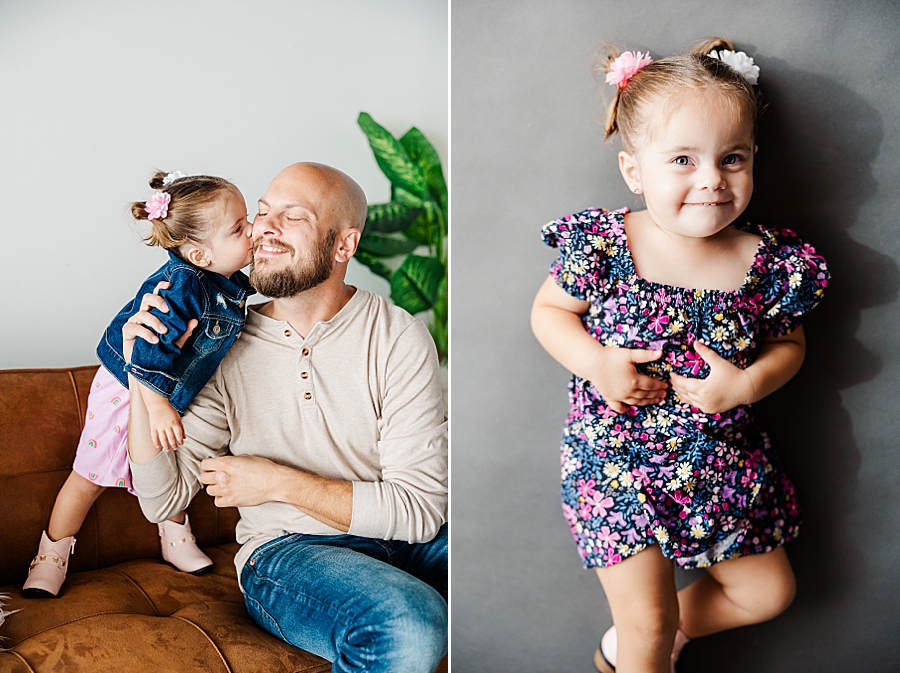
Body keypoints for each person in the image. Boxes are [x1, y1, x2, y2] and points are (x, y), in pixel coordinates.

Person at [531, 38, 829, 673]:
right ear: (635, 171)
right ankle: (642, 645)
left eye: (732, 158)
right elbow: (549, 313)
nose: (711, 180)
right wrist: (597, 363)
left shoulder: (767, 262)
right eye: (683, 160)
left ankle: (654, 641)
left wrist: (745, 387)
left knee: (769, 592)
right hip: (618, 467)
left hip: (724, 468)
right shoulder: (608, 245)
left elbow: (790, 344)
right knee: (647, 624)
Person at [123, 162, 448, 673]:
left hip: (402, 540)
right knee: (408, 623)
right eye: (262, 212)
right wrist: (141, 377)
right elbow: (164, 498)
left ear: (344, 245)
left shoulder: (397, 336)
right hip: (289, 552)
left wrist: (276, 482)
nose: (264, 229)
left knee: (504, 555)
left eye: (291, 217)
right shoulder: (221, 343)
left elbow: (420, 511)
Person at [22, 171, 255, 598]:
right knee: (91, 476)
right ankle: (51, 554)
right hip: (126, 388)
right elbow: (144, 352)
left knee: (168, 457)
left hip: (167, 391)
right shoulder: (181, 287)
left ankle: (174, 533)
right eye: (239, 228)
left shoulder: (227, 278)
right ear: (200, 255)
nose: (253, 231)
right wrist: (157, 406)